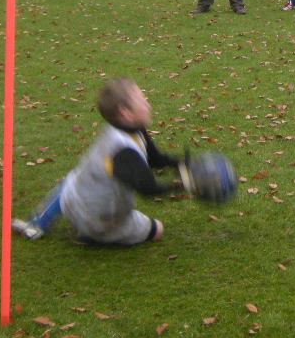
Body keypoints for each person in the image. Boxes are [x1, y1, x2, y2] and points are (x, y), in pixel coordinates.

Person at [12, 78, 186, 245]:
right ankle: (94, 235)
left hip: (72, 201)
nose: (147, 103)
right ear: (125, 111)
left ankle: (36, 224)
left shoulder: (129, 128)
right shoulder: (122, 150)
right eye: (141, 99)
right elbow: (148, 188)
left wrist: (185, 164)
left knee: (73, 179)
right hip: (103, 220)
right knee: (158, 230)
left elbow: (154, 159)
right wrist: (187, 184)